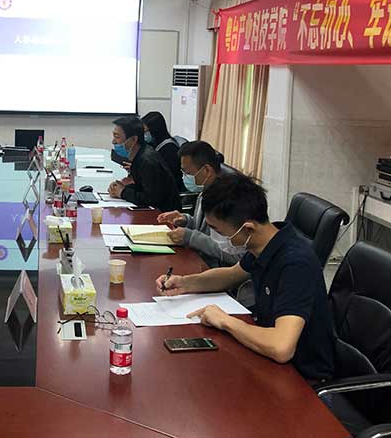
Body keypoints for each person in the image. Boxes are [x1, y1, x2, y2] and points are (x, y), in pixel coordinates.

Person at [155, 173, 335, 382]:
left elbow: (281, 347)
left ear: (248, 228)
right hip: (266, 356)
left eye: (219, 232)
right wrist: (184, 283)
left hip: (302, 377)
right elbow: (232, 275)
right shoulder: (266, 243)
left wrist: (225, 321)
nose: (220, 239)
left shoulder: (296, 263)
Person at [156, 140, 238, 268]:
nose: (185, 177)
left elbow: (231, 253)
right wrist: (186, 220)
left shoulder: (228, 199)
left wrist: (190, 237)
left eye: (188, 173)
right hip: (197, 258)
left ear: (207, 170)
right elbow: (205, 229)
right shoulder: (205, 190)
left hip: (215, 269)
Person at [107, 116, 180, 212]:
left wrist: (123, 192)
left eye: (117, 137)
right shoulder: (140, 154)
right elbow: (142, 188)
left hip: (164, 214)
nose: (113, 141)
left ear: (133, 140)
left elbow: (151, 199)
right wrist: (121, 188)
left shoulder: (147, 161)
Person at [141, 111, 185, 192]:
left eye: (145, 131)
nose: (144, 134)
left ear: (155, 130)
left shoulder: (170, 149)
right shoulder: (155, 145)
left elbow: (168, 176)